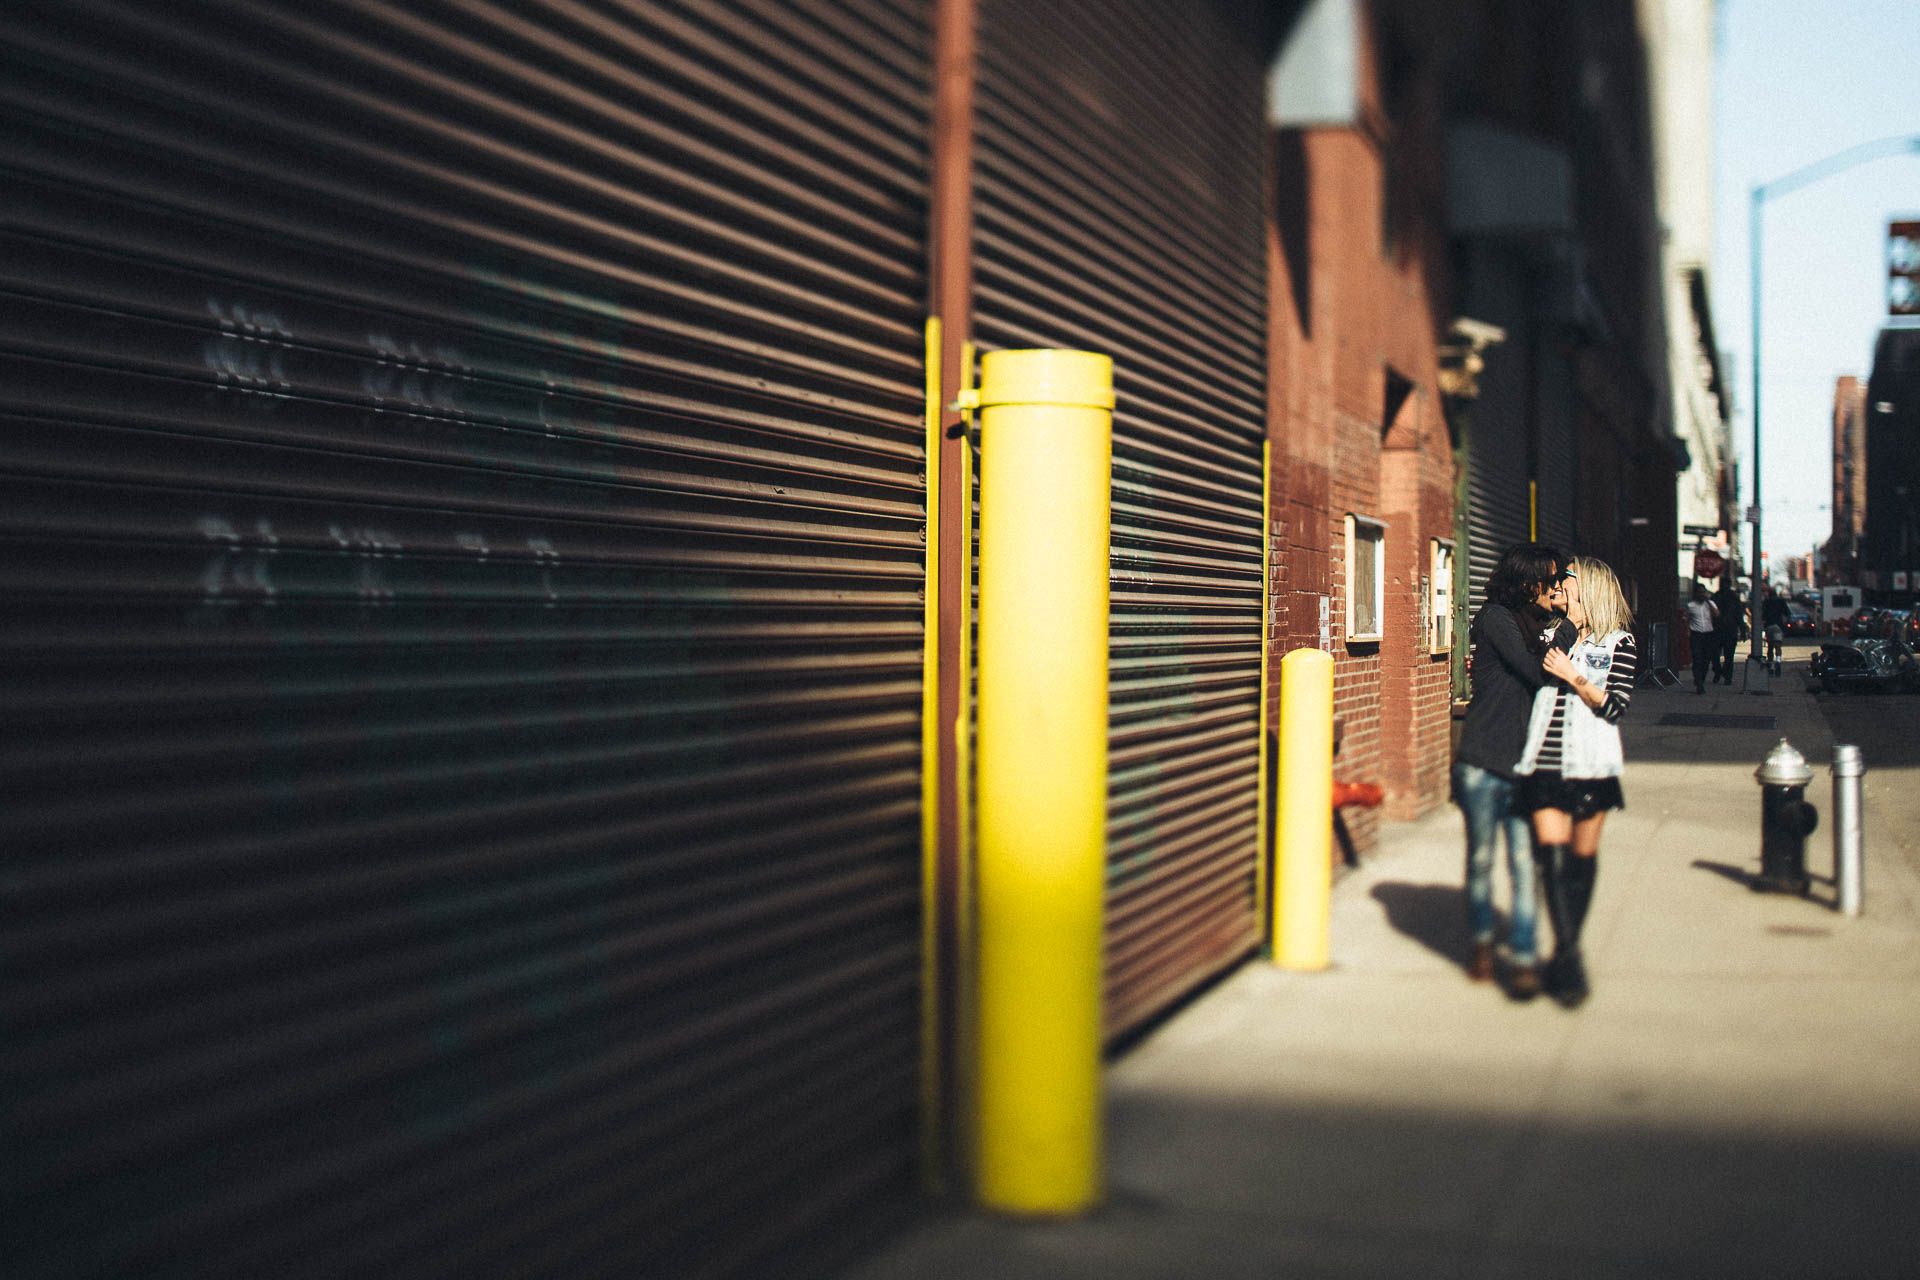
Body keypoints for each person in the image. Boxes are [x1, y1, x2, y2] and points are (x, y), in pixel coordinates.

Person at [1512, 557, 1637, 1008]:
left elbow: (1615, 707)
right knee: (1554, 858)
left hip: (1592, 764)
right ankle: (1568, 957)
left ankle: (1567, 952)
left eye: (1567, 581)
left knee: (1581, 861)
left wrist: (1576, 677)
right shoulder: (1553, 633)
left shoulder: (1619, 643)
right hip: (1544, 763)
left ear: (1589, 591)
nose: (1560, 588)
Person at [1452, 541, 1568, 998]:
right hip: (1483, 762)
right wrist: (1569, 628)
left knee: (1524, 864)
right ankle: (1482, 941)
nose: (1558, 587)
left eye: (1561, 580)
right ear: (1529, 582)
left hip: (1523, 765)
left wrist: (1566, 621)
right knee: (1481, 860)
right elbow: (1539, 672)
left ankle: (1522, 955)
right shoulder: (1498, 619)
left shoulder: (1539, 624)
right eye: (1552, 579)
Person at [1683, 583, 1717, 694]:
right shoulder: (1691, 605)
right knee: (1697, 658)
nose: (1702, 594)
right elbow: (1686, 619)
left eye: (1704, 592)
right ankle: (1699, 683)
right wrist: (1687, 631)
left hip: (1708, 634)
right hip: (1696, 634)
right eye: (1700, 592)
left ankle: (1701, 679)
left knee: (1706, 660)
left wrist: (1708, 602)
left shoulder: (1710, 604)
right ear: (1696, 593)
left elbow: (1717, 614)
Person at [1711, 580, 1744, 685]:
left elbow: (1739, 615)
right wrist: (1742, 629)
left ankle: (1723, 674)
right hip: (1725, 630)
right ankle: (1724, 674)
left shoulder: (1718, 597)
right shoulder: (1730, 597)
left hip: (1723, 630)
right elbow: (1739, 615)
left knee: (1721, 655)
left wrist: (1742, 629)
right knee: (1725, 655)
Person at [1762, 586, 1791, 675]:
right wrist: (1785, 623)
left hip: (1769, 626)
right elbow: (1788, 613)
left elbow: (1762, 615)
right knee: (1778, 646)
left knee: (1770, 647)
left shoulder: (1766, 602)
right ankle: (1778, 661)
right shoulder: (1781, 601)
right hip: (1778, 626)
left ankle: (1770, 666)